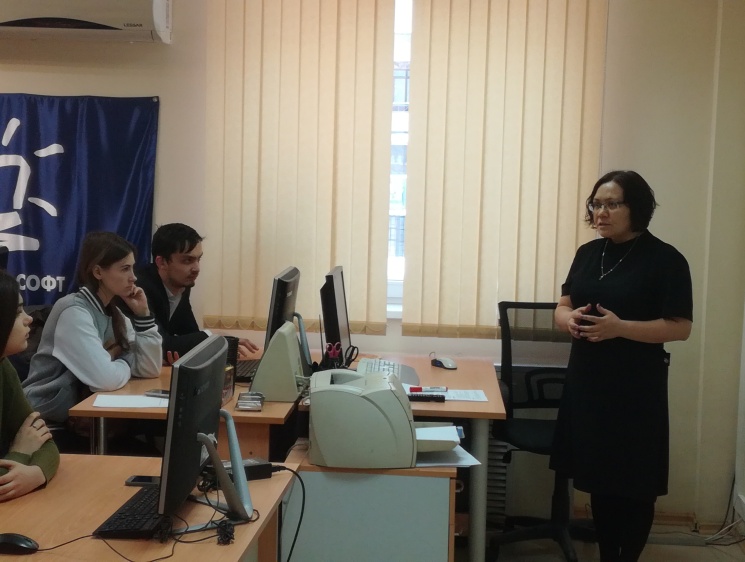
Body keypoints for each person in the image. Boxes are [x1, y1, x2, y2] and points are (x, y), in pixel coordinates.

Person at [550, 170, 693, 562]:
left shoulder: (666, 259)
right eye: (596, 204)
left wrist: (619, 328)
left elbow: (680, 328)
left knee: (634, 483)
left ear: (637, 208)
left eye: (612, 204)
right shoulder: (587, 253)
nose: (601, 212)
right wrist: (567, 320)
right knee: (599, 479)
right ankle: (607, 555)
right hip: (588, 382)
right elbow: (562, 306)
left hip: (635, 388)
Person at [23, 232, 162, 427]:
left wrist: (143, 315)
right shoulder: (73, 311)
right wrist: (124, 359)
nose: (134, 277)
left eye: (132, 268)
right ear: (98, 272)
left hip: (82, 415)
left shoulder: (115, 313)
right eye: (125, 269)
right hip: (45, 419)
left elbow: (149, 368)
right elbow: (105, 380)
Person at [130, 223, 258, 363]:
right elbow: (161, 345)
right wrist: (214, 335)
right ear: (161, 262)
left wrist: (217, 345)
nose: (196, 268)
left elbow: (190, 334)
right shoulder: (139, 289)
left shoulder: (182, 284)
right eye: (187, 260)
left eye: (198, 259)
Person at [0, 271, 59, 501]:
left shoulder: (3, 366)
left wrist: (37, 473)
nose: (29, 319)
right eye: (17, 313)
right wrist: (20, 453)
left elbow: (44, 442)